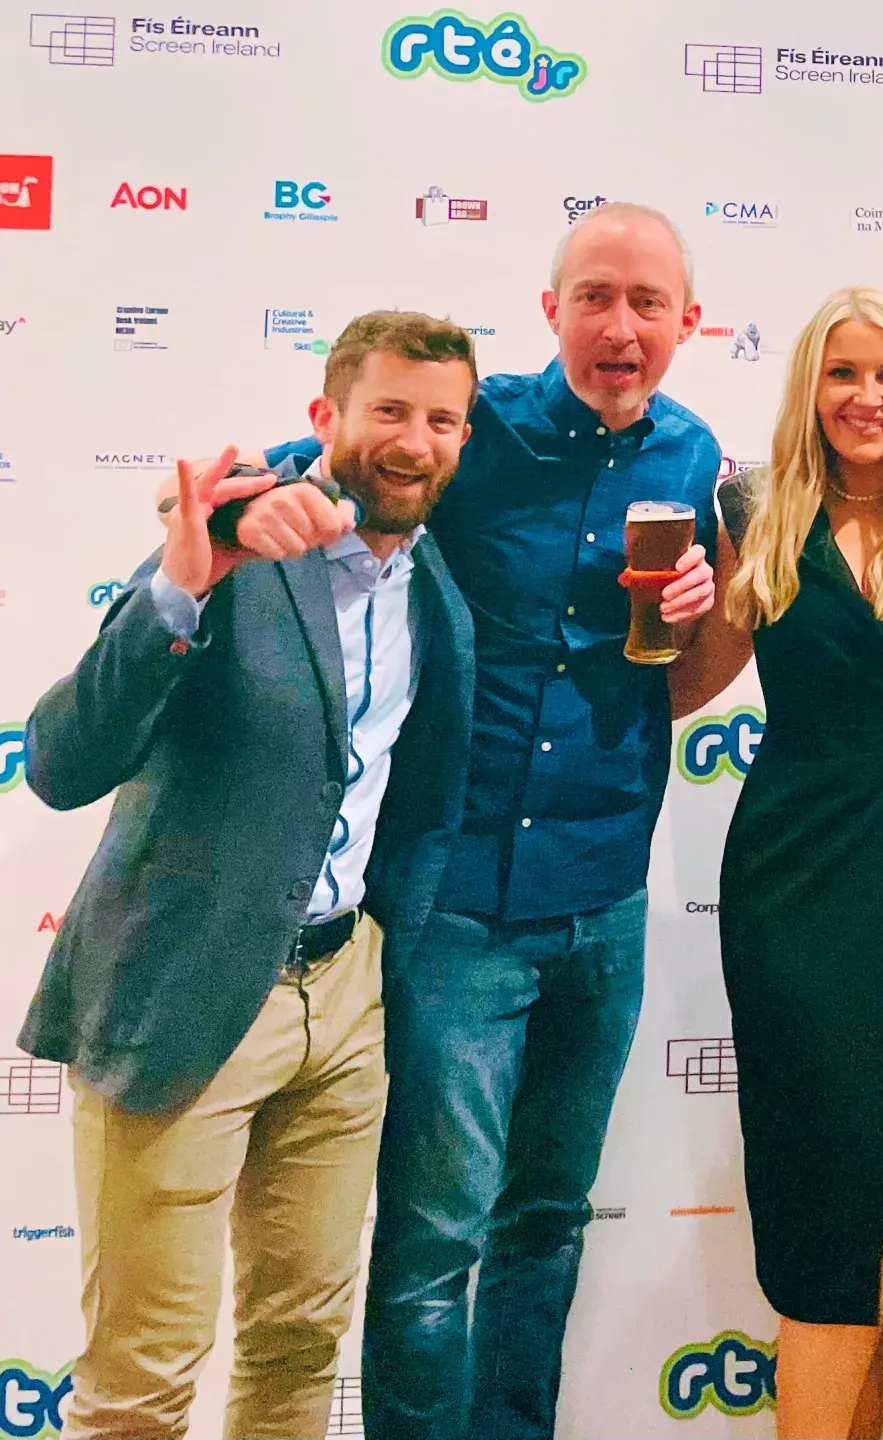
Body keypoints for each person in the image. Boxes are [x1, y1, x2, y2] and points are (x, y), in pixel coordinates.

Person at [238, 204, 720, 1440]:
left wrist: (725, 614)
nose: (621, 326)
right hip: (454, 900)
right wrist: (208, 515)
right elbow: (319, 484)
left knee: (548, 1219)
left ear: (685, 323)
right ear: (552, 307)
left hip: (604, 893)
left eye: (647, 303)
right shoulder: (472, 426)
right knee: (434, 1234)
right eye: (596, 296)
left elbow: (676, 677)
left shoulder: (693, 454)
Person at [18, 311, 479, 1440]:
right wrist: (185, 578)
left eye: (441, 420)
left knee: (298, 1352)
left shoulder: (435, 592)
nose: (414, 442)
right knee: (142, 1379)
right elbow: (63, 762)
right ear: (324, 419)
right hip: (187, 996)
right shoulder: (235, 547)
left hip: (344, 1005)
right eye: (387, 412)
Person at [672, 286, 883, 1440]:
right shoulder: (750, 507)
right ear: (809, 383)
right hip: (797, 878)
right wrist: (660, 618)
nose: (868, 398)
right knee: (851, 1201)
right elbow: (686, 685)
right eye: (844, 372)